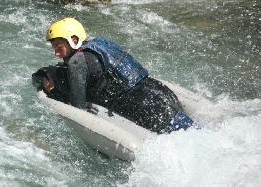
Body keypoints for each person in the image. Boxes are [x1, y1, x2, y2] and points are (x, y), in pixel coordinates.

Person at [32, 17, 197, 134]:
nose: (56, 54)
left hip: (146, 110)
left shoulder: (78, 61)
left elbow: (78, 105)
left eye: (59, 48)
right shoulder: (100, 43)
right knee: (191, 130)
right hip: (161, 94)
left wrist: (53, 92)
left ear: (74, 40)